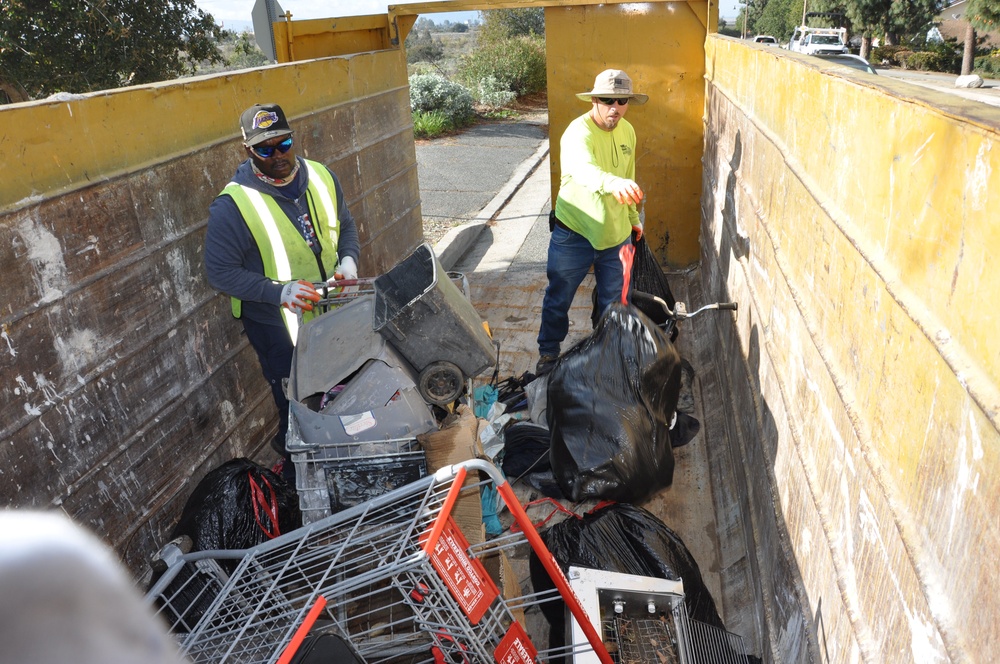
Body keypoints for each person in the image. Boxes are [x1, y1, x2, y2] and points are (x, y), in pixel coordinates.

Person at [205, 103, 361, 470]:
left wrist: (348, 260)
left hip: (329, 314)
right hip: (277, 327)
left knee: (337, 390)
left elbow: (346, 225)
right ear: (248, 150)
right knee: (295, 402)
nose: (277, 155)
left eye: (283, 143)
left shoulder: (321, 176)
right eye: (264, 149)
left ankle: (337, 453)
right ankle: (299, 472)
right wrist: (280, 292)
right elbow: (220, 273)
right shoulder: (233, 206)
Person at [536, 69, 648, 376]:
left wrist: (632, 219)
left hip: (616, 236)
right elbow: (584, 170)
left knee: (614, 306)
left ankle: (605, 356)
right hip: (574, 234)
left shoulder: (628, 132)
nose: (615, 107)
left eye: (622, 100)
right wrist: (612, 183)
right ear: (595, 100)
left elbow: (629, 177)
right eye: (608, 100)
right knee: (559, 297)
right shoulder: (577, 133)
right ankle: (548, 353)